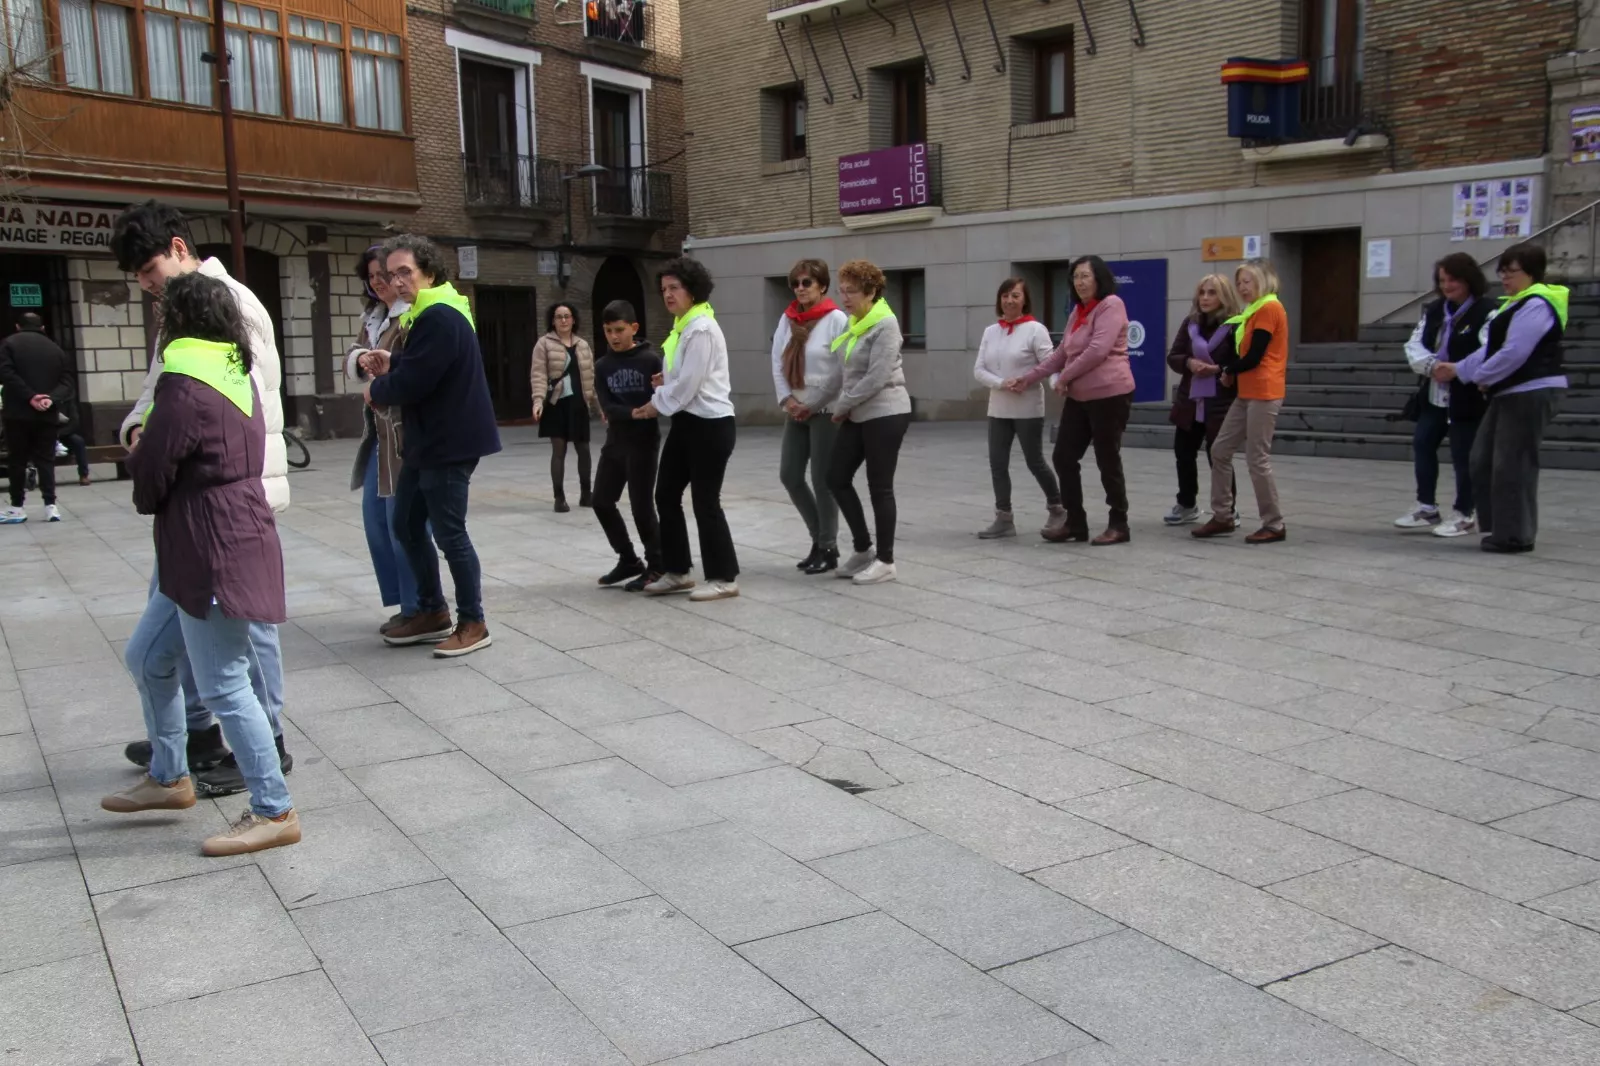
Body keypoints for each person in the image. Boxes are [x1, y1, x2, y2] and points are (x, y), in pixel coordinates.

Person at [101, 271, 299, 856]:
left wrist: (138, 455)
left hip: (212, 547)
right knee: (147, 658)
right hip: (204, 544)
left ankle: (274, 809)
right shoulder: (233, 369)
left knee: (224, 684)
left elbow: (153, 472)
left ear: (175, 322)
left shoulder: (186, 383)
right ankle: (170, 776)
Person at [364, 234, 502, 654]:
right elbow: (424, 364)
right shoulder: (428, 313)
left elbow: (419, 381)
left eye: (405, 272)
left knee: (449, 533)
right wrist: (397, 362)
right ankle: (431, 611)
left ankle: (473, 622)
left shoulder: (439, 314)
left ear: (429, 271)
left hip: (450, 441)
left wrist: (379, 389)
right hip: (429, 441)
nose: (398, 281)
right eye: (392, 275)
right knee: (405, 523)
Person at [1433, 242, 1568, 553]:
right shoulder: (1513, 304)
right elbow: (1490, 350)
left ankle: (1515, 535)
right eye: (1502, 272)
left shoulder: (1537, 303)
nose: (1505, 278)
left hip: (1531, 390)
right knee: (1482, 459)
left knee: (1513, 463)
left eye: (1512, 272)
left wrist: (1481, 376)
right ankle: (1500, 526)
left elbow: (1514, 353)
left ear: (1531, 272)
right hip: (1508, 392)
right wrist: (1459, 369)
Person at [1008, 255, 1135, 546]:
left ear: (1099, 278)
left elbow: (1097, 350)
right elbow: (1062, 353)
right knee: (1064, 456)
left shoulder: (1111, 305)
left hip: (1110, 393)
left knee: (1107, 458)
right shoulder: (1078, 312)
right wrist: (1028, 378)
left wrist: (1063, 378)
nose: (1079, 282)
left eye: (1085, 276)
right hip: (1080, 396)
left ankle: (1119, 523)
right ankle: (1075, 523)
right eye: (1075, 277)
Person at [634, 256, 741, 602]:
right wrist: (666, 381)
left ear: (692, 290)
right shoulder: (682, 327)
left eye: (674, 288)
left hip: (710, 424)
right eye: (664, 289)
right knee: (665, 494)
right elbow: (684, 379)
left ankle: (724, 577)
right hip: (686, 422)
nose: (668, 294)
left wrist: (656, 402)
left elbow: (690, 387)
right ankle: (678, 571)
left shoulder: (701, 328)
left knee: (705, 501)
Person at [345, 244, 429, 633]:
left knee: (406, 523)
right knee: (376, 522)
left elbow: (416, 372)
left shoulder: (415, 315)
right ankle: (407, 602)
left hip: (405, 434)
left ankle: (423, 606)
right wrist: (360, 360)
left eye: (386, 275)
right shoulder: (374, 316)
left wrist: (382, 380)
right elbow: (353, 358)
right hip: (379, 434)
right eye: (373, 277)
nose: (380, 283)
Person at [1192, 259, 1291, 544]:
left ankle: (1274, 523)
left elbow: (1255, 355)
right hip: (1247, 392)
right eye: (1239, 283)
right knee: (1220, 449)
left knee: (1256, 458)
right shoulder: (1251, 312)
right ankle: (1222, 515)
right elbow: (1241, 355)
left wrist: (1227, 370)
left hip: (1265, 391)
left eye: (1248, 281)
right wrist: (1230, 371)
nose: (1242, 287)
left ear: (1264, 280)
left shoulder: (1269, 308)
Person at [827, 258, 912, 585]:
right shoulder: (855, 322)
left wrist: (841, 406)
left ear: (871, 291)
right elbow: (843, 372)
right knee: (835, 477)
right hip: (858, 411)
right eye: (842, 290)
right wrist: (813, 403)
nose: (845, 297)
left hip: (886, 411)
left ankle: (886, 561)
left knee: (880, 486)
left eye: (851, 291)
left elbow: (876, 377)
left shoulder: (885, 324)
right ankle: (863, 548)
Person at [1395, 253, 1491, 538]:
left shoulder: (1487, 311)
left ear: (1468, 280)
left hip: (1467, 395)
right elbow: (1414, 345)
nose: (1447, 286)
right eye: (1442, 281)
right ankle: (1426, 506)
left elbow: (1489, 349)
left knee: (1464, 455)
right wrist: (1433, 366)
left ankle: (1465, 513)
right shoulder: (1435, 310)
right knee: (1423, 443)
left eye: (1453, 280)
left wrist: (1457, 369)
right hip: (1435, 392)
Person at [772, 257, 848, 572]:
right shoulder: (787, 319)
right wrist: (787, 399)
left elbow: (841, 370)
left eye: (807, 282)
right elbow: (777, 360)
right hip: (796, 407)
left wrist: (812, 404)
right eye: (796, 283)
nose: (800, 288)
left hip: (824, 409)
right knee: (790, 475)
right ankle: (819, 539)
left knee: (822, 479)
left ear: (823, 286)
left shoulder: (837, 320)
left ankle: (828, 548)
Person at [973, 277, 1062, 538]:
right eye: (1005, 296)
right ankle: (1004, 517)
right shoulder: (991, 331)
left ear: (1025, 300)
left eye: (1015, 295)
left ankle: (1057, 508)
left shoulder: (1035, 330)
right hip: (998, 407)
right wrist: (1002, 383)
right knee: (997, 463)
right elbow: (979, 369)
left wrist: (1055, 382)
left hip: (1027, 407)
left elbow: (1050, 364)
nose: (1009, 300)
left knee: (1034, 461)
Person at [592, 300, 664, 591]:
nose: (614, 336)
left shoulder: (650, 360)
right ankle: (628, 560)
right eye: (608, 330)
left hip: (644, 442)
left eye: (619, 330)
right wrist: (632, 412)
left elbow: (661, 397)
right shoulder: (603, 365)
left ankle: (658, 565)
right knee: (601, 501)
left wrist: (648, 409)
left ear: (633, 328)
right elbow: (607, 405)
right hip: (616, 440)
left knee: (641, 505)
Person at [1163, 274, 1240, 526]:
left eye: (1212, 293)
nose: (1205, 298)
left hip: (1220, 401)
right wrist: (1189, 362)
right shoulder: (1190, 323)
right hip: (1190, 400)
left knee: (1218, 455)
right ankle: (1187, 504)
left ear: (1224, 297)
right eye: (1202, 292)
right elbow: (1174, 356)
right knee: (1183, 452)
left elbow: (1242, 362)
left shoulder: (1235, 326)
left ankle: (1228, 508)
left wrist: (1219, 369)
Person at [0, 312, 74, 524]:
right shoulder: (56, 349)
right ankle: (50, 506)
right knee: (46, 459)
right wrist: (50, 398)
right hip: (47, 413)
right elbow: (67, 381)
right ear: (42, 328)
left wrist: (29, 396)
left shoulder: (8, 344)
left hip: (18, 413)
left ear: (17, 326)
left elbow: (6, 373)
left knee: (17, 460)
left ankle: (17, 506)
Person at [531, 302, 597, 512]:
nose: (563, 320)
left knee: (584, 449)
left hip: (578, 404)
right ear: (553, 320)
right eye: (559, 317)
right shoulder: (543, 344)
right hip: (556, 404)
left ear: (574, 319)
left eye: (567, 316)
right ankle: (559, 497)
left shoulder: (583, 345)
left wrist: (599, 406)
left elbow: (590, 377)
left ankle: (586, 493)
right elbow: (538, 374)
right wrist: (538, 400)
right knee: (559, 450)